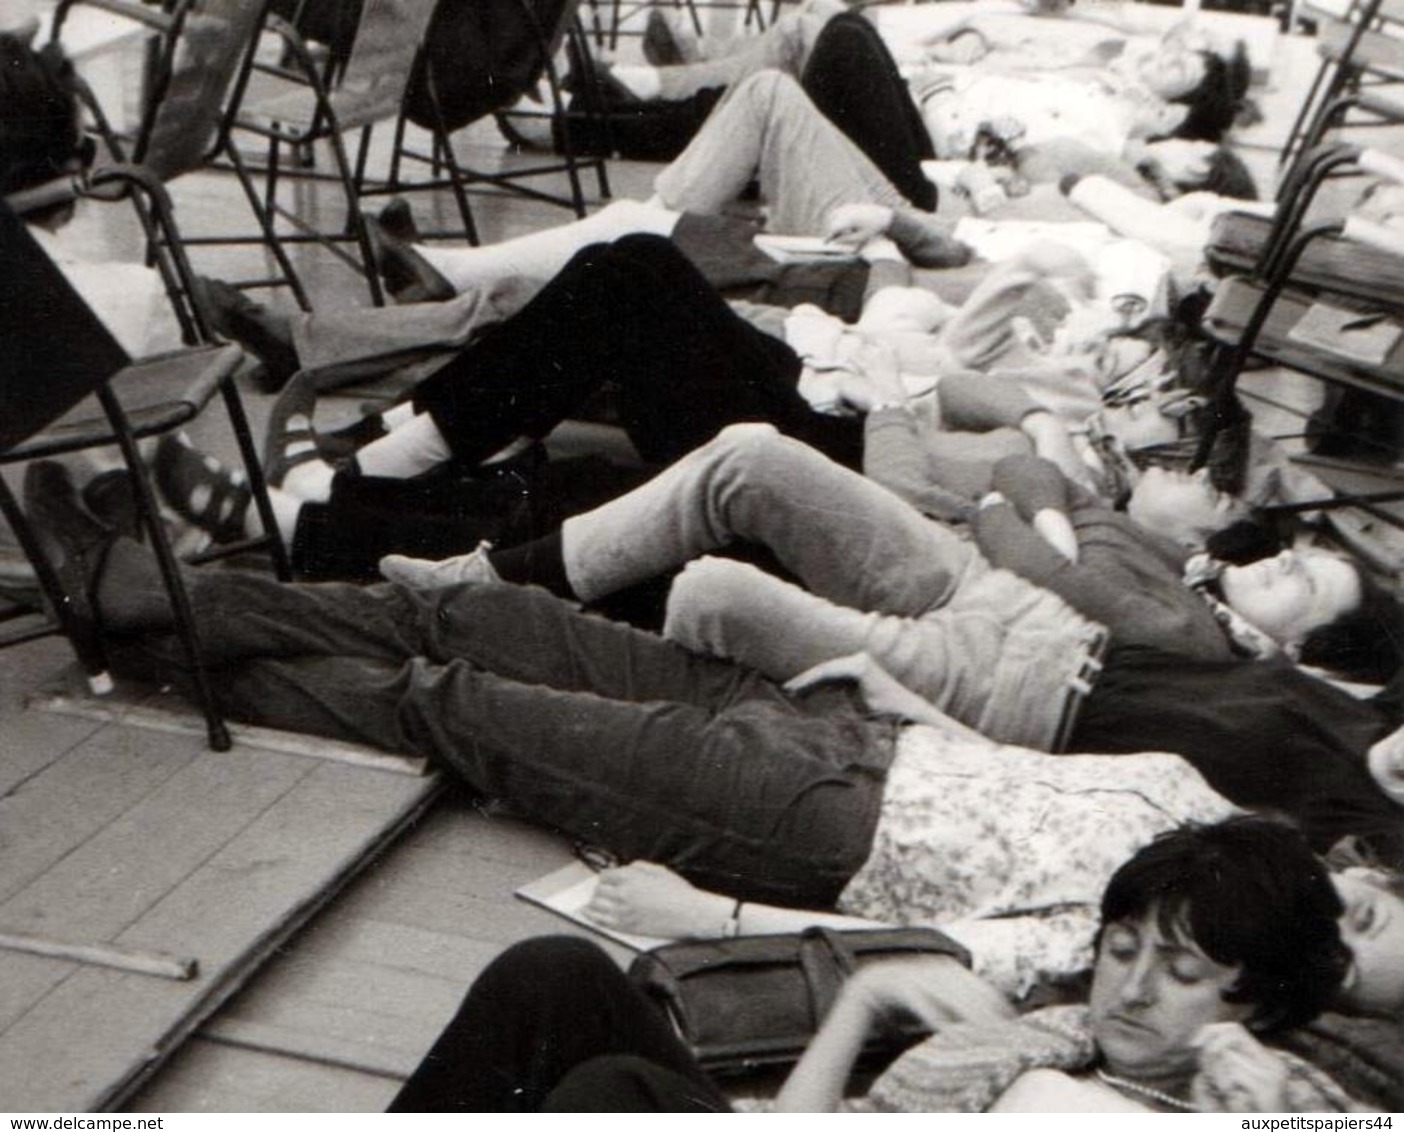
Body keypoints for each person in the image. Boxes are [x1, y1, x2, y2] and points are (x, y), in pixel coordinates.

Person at [388, 818, 1358, 1112]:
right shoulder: (1060, 1038)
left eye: (1182, 972)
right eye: (1122, 948)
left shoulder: (1271, 1099)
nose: (1134, 986)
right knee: (556, 974)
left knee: (609, 1092)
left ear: (1255, 1001)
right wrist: (863, 999)